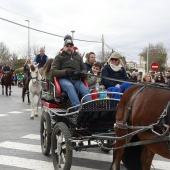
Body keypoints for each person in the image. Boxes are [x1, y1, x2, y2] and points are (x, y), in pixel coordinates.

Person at [51, 38, 92, 107]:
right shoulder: (59, 57)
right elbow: (53, 72)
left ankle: (90, 108)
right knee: (69, 87)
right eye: (67, 46)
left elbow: (84, 68)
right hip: (64, 79)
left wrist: (82, 72)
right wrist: (66, 72)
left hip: (76, 80)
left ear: (73, 47)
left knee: (85, 90)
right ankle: (78, 109)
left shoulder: (78, 57)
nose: (69, 48)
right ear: (64, 47)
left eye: (70, 46)